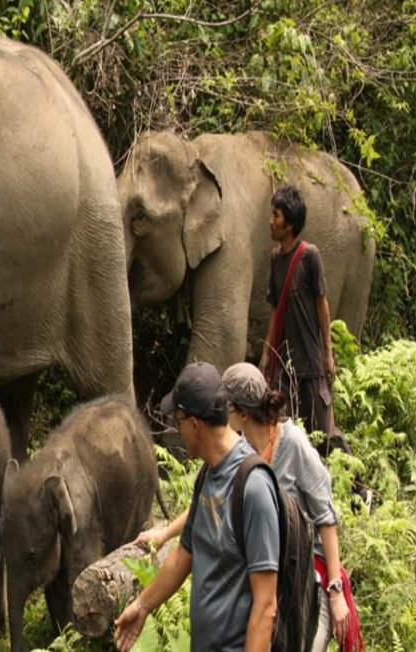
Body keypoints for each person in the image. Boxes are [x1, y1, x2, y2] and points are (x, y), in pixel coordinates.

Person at [132, 362, 363, 652]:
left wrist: (335, 588)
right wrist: (165, 535)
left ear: (239, 412)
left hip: (308, 573)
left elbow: (325, 520)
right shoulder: (223, 462)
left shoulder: (273, 463)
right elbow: (213, 511)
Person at [114, 362, 279, 652]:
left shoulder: (253, 488)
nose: (177, 428)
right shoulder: (208, 473)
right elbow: (183, 555)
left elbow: (266, 606)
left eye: (177, 420)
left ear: (194, 424)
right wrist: (141, 606)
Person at [259, 185, 350, 456]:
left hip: (310, 363)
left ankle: (359, 491)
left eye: (275, 215)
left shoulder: (310, 256)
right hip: (283, 365)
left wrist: (328, 353)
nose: (270, 221)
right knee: (281, 431)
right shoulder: (275, 259)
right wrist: (267, 353)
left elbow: (322, 306)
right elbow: (275, 310)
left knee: (324, 433)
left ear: (290, 223)